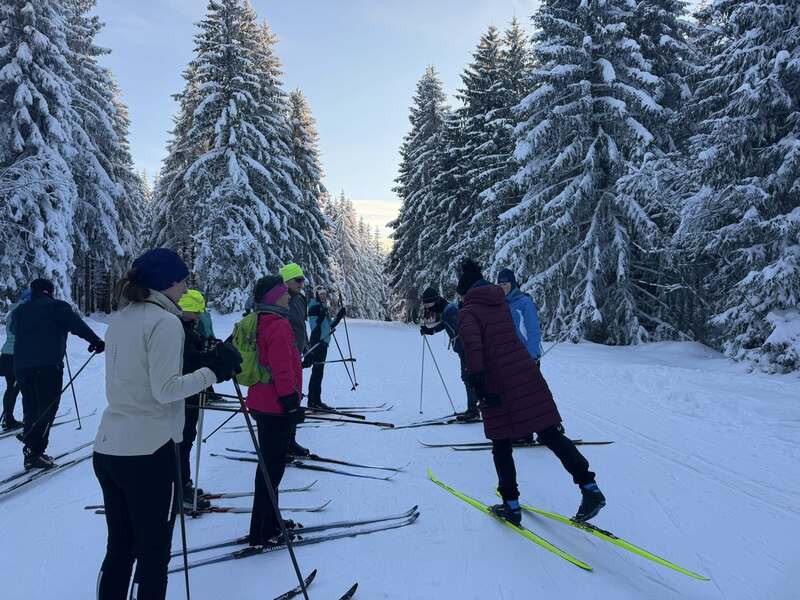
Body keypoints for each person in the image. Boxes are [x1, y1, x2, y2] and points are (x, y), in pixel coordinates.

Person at [93, 248, 241, 600]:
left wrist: (205, 362)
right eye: (183, 279)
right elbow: (165, 390)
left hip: (110, 448)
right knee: (153, 555)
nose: (186, 286)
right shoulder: (165, 322)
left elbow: (141, 380)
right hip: (150, 452)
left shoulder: (122, 318)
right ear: (169, 282)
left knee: (120, 548)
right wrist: (213, 371)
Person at [456, 258, 605, 524]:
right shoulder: (501, 302)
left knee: (501, 444)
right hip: (525, 373)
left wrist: (477, 383)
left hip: (497, 381)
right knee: (549, 432)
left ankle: (511, 506)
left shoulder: (469, 311)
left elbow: (474, 349)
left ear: (465, 292)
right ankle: (589, 487)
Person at [13, 278, 104, 469]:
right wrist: (95, 341)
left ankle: (30, 444)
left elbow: (14, 329)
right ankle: (35, 451)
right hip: (47, 366)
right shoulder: (56, 306)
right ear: (50, 291)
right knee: (48, 407)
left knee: (31, 406)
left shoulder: (20, 310)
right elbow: (76, 324)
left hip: (22, 367)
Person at [245, 275, 305, 546]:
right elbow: (282, 370)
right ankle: (264, 529)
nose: (288, 296)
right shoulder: (278, 325)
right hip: (276, 405)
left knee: (268, 466)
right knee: (272, 468)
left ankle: (267, 522)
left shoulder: (259, 320)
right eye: (283, 293)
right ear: (272, 297)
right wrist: (292, 404)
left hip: (261, 402)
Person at [177, 289, 217, 509]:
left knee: (187, 437)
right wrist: (210, 358)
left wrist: (210, 349)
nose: (200, 315)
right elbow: (190, 361)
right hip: (184, 392)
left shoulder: (188, 328)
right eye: (197, 311)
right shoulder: (180, 330)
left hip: (190, 391)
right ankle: (180, 488)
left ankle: (184, 482)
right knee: (183, 438)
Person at [419, 287, 480, 421]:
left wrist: (465, 352)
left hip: (467, 350)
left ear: (435, 301)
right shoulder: (448, 309)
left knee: (469, 377)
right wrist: (431, 331)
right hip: (464, 350)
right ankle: (476, 406)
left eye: (429, 305)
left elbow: (463, 331)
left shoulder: (450, 311)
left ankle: (473, 410)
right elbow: (445, 325)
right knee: (470, 377)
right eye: (426, 306)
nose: (429, 308)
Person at [280, 263, 311, 457]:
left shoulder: (299, 300)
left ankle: (290, 440)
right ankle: (282, 443)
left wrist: (307, 348)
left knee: (296, 394)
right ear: (286, 281)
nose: (302, 283)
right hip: (283, 355)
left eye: (302, 279)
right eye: (297, 280)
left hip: (296, 354)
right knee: (287, 397)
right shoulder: (280, 300)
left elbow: (301, 326)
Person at [1, 289, 31, 431]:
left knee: (12, 387)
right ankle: (9, 420)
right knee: (15, 388)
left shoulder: (13, 311)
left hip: (8, 354)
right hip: (16, 355)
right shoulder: (23, 313)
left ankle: (9, 418)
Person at [497, 269, 542, 361]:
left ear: (512, 284)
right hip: (509, 357)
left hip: (526, 356)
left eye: (505, 284)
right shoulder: (501, 303)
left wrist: (532, 355)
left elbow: (533, 330)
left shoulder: (525, 302)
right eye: (500, 285)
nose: (502, 287)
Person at [306, 285, 333, 410]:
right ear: (316, 294)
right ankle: (313, 401)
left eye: (324, 293)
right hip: (318, 342)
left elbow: (329, 325)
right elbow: (314, 327)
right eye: (320, 293)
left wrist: (339, 316)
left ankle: (316, 400)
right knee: (317, 372)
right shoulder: (314, 306)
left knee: (319, 372)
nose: (323, 295)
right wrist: (320, 318)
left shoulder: (323, 307)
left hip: (324, 342)